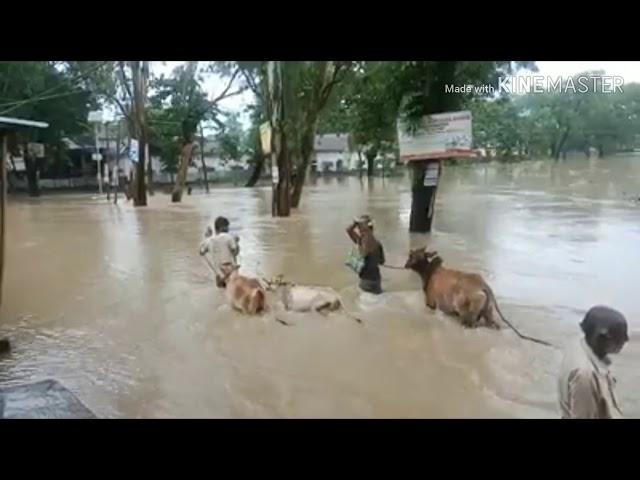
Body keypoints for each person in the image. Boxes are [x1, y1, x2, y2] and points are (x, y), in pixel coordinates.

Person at [558, 305, 629, 419]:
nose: (626, 340)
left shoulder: (580, 344)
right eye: (620, 335)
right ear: (602, 338)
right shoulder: (585, 376)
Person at [346, 215, 385, 295]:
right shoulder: (378, 244)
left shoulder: (362, 242)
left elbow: (349, 230)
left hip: (366, 280)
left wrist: (355, 223)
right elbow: (382, 261)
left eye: (360, 228)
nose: (359, 230)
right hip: (377, 279)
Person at [199, 216, 240, 288]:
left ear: (216, 229)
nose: (228, 229)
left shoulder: (210, 240)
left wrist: (207, 237)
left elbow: (201, 252)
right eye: (228, 227)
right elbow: (235, 252)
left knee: (222, 292)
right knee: (232, 293)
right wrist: (236, 242)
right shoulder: (229, 237)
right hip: (231, 270)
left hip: (219, 274)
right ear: (225, 227)